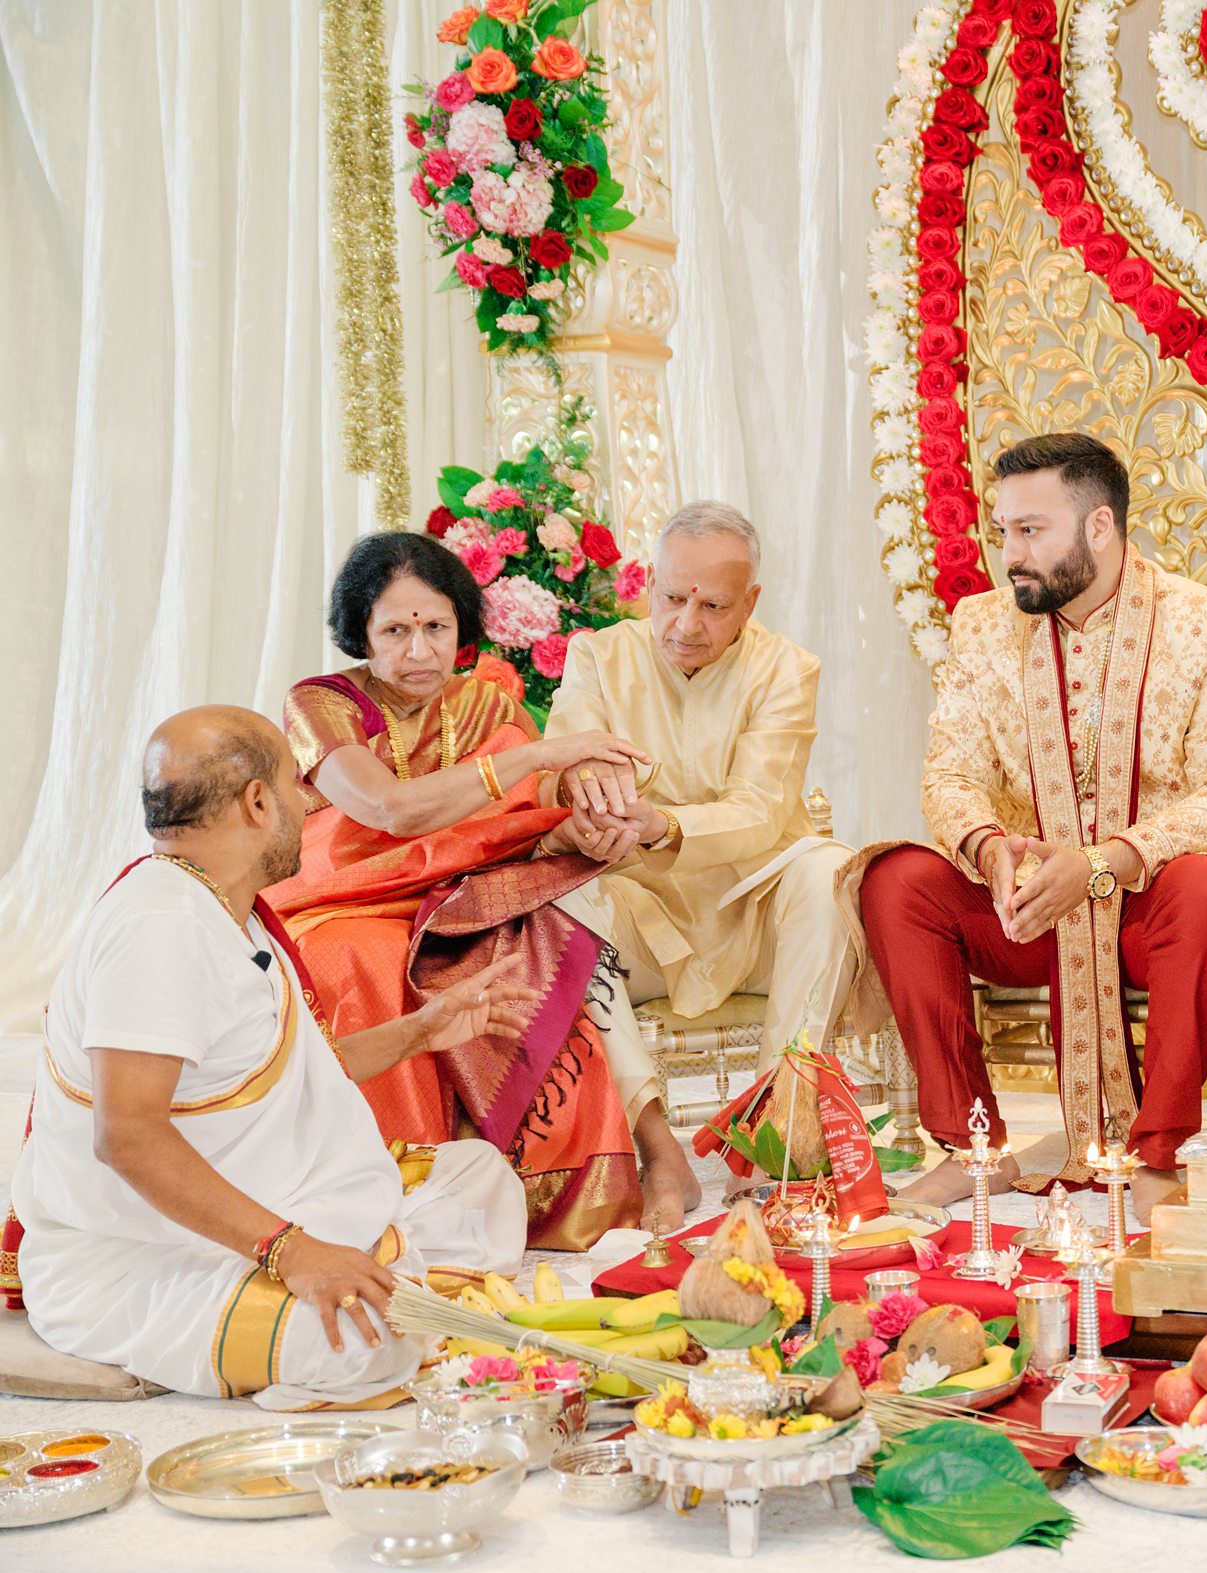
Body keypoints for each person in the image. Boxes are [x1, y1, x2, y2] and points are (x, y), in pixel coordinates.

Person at [9, 708, 531, 1407]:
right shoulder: (159, 927)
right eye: (296, 783)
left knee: (483, 1175)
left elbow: (275, 1077)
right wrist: (292, 1250)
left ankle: (367, 1261)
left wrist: (420, 1030)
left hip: (253, 1208)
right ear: (258, 802)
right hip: (141, 1261)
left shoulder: (226, 910)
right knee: (379, 1334)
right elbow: (127, 1133)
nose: (309, 801)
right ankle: (312, 1294)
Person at [846, 432, 1207, 1218]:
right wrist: (990, 846)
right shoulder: (981, 626)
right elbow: (950, 773)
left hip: (1149, 913)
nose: (1010, 552)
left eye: (1030, 530)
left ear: (1099, 527)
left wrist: (1107, 859)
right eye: (1002, 529)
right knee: (895, 879)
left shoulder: (1202, 622)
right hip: (1029, 907)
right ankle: (974, 1146)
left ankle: (1158, 1156)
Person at [265, 533, 685, 1249]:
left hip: (457, 897)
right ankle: (391, 1187)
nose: (419, 650)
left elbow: (532, 818)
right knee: (357, 959)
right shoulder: (321, 704)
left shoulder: (488, 707)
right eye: (395, 630)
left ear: (460, 626)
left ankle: (537, 1190)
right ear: (361, 634)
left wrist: (591, 808)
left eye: (436, 627)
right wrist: (545, 752)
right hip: (340, 896)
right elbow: (387, 809)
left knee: (531, 947)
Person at [548, 501, 862, 1177]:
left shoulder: (786, 669)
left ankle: (783, 1133)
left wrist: (664, 824)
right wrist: (579, 796)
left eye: (714, 606)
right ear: (647, 584)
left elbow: (760, 809)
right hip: (646, 927)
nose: (686, 624)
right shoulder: (598, 660)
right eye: (671, 598)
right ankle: (656, 1146)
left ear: (750, 603)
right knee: (556, 905)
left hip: (751, 923)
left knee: (829, 868)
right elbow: (560, 778)